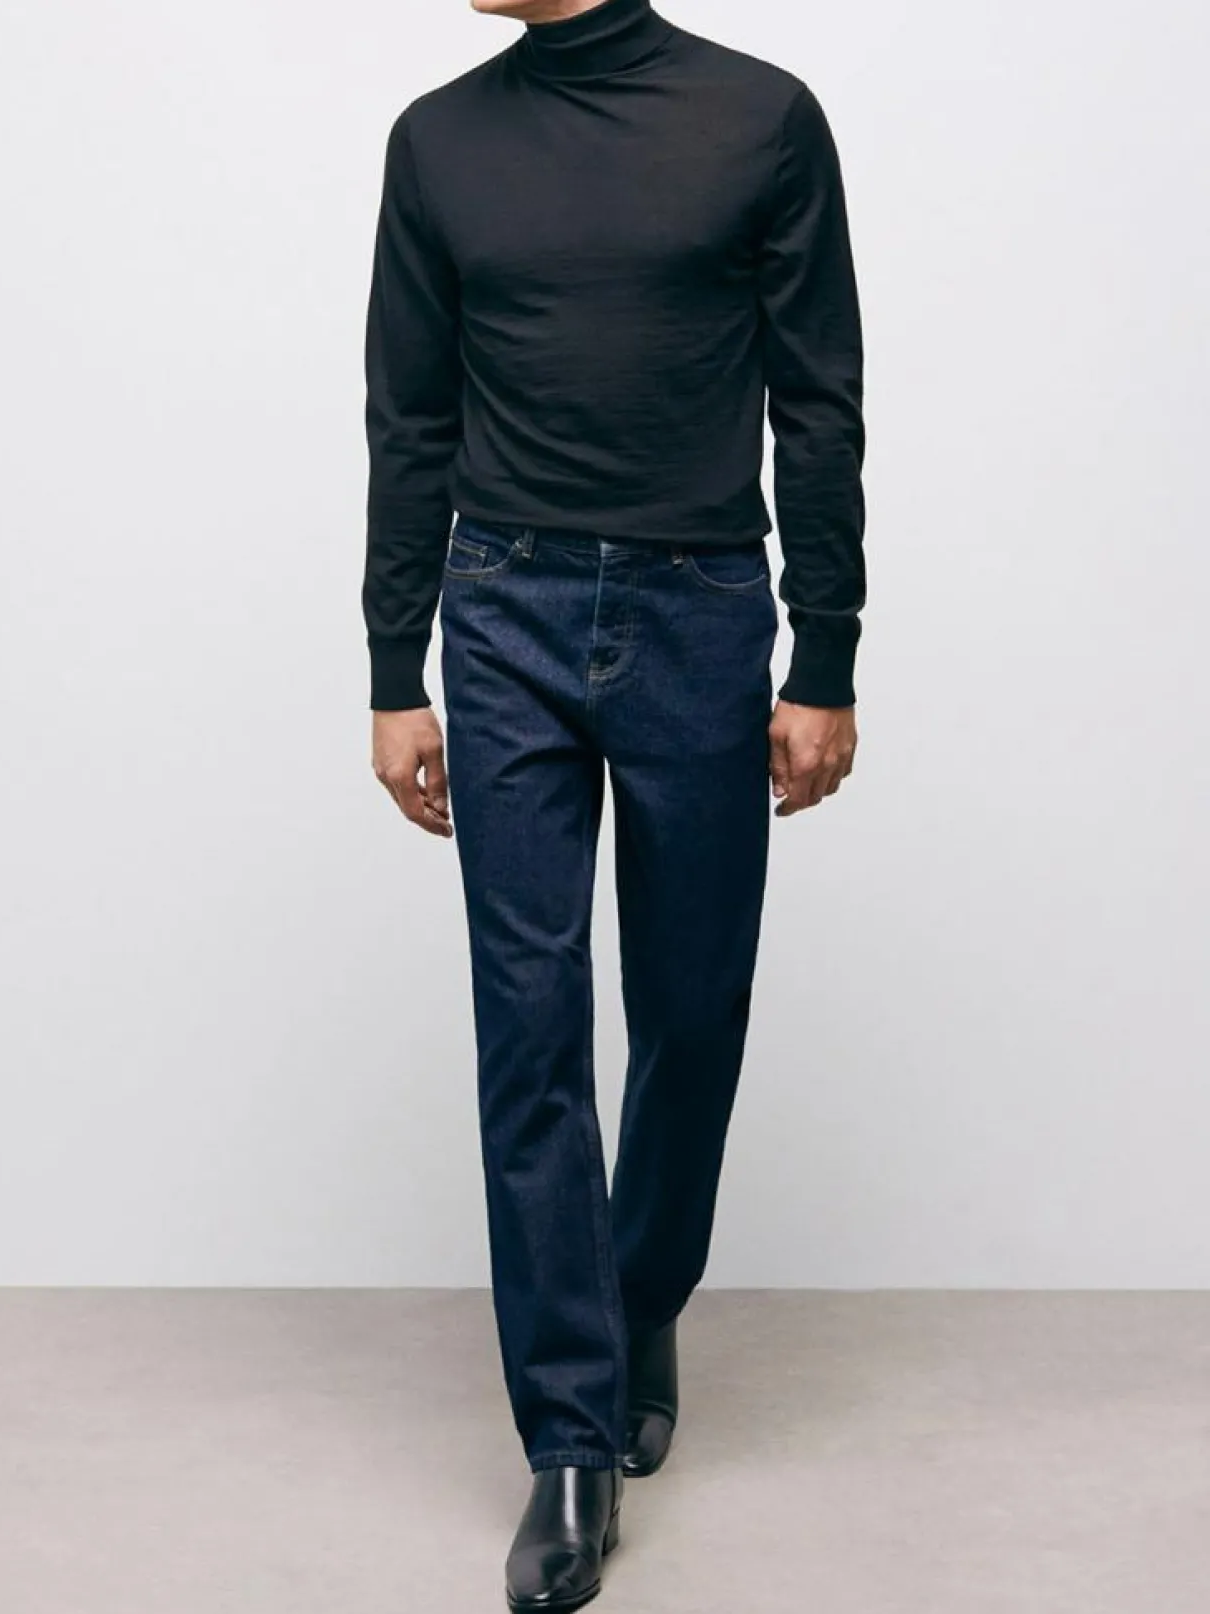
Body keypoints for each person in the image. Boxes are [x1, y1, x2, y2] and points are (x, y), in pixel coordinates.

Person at [362, 0, 865, 1605]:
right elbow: (407, 415)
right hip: (500, 606)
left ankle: (641, 1289)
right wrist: (392, 666)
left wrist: (825, 653)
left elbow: (820, 396)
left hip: (700, 608)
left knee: (692, 1008)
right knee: (528, 1025)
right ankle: (570, 1437)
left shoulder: (760, 119)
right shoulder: (438, 140)